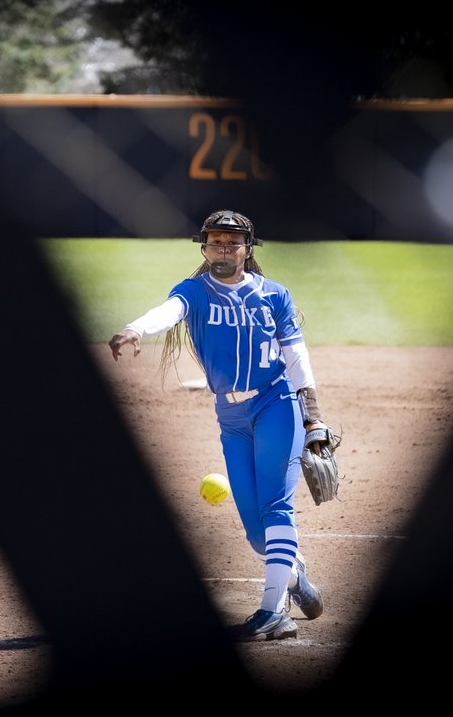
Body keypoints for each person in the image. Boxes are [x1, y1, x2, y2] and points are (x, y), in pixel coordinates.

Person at [107, 209, 329, 641]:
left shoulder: (275, 295)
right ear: (205, 248)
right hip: (230, 416)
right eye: (215, 242)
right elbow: (169, 311)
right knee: (255, 531)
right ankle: (295, 575)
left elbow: (297, 357)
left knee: (276, 506)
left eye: (232, 243)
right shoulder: (194, 291)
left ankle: (272, 613)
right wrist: (135, 328)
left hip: (276, 404)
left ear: (248, 249)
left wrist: (314, 416)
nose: (223, 249)